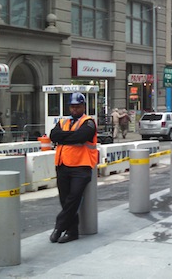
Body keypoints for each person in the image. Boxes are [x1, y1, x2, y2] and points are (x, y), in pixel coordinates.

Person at [49, 92, 98, 244]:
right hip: (62, 165)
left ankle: (59, 226)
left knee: (74, 198)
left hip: (81, 166)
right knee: (65, 199)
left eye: (77, 106)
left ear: (83, 106)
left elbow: (81, 136)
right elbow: (53, 135)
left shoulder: (89, 122)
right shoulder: (63, 122)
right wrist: (69, 135)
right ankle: (72, 231)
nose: (74, 109)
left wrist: (64, 137)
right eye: (72, 107)